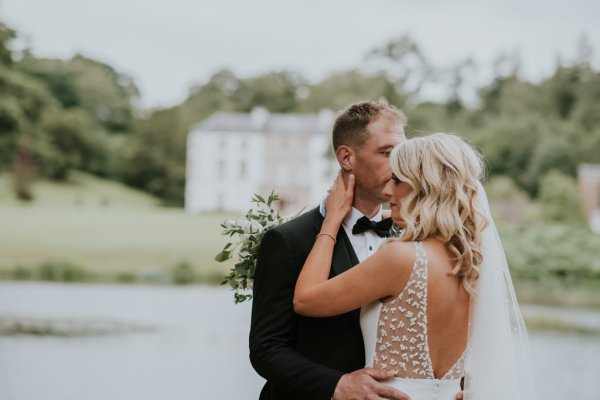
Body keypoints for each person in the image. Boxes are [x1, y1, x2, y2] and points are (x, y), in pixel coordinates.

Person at [294, 133, 537, 400]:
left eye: (398, 180)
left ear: (425, 187)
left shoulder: (400, 258)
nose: (388, 192)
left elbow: (305, 300)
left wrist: (332, 219)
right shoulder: (472, 264)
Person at [249, 99, 410, 400]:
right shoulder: (288, 241)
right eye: (388, 153)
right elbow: (266, 350)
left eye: (403, 153)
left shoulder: (413, 236)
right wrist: (337, 385)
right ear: (347, 158)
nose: (401, 165)